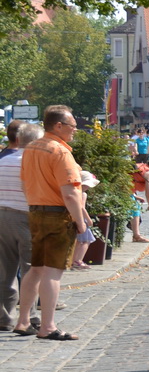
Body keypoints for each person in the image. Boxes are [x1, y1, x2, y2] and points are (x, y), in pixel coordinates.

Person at [17, 106, 91, 341]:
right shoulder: (60, 152)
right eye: (72, 127)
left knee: (35, 268)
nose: (74, 131)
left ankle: (23, 320)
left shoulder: (31, 148)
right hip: (57, 214)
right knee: (53, 271)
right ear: (58, 126)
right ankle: (47, 326)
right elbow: (70, 193)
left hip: (35, 211)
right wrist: (81, 222)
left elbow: (24, 183)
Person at [0, 121, 41, 334]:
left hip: (2, 215)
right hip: (26, 216)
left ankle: (4, 316)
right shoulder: (31, 162)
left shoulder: (3, 161)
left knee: (5, 270)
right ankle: (30, 316)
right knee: (30, 269)